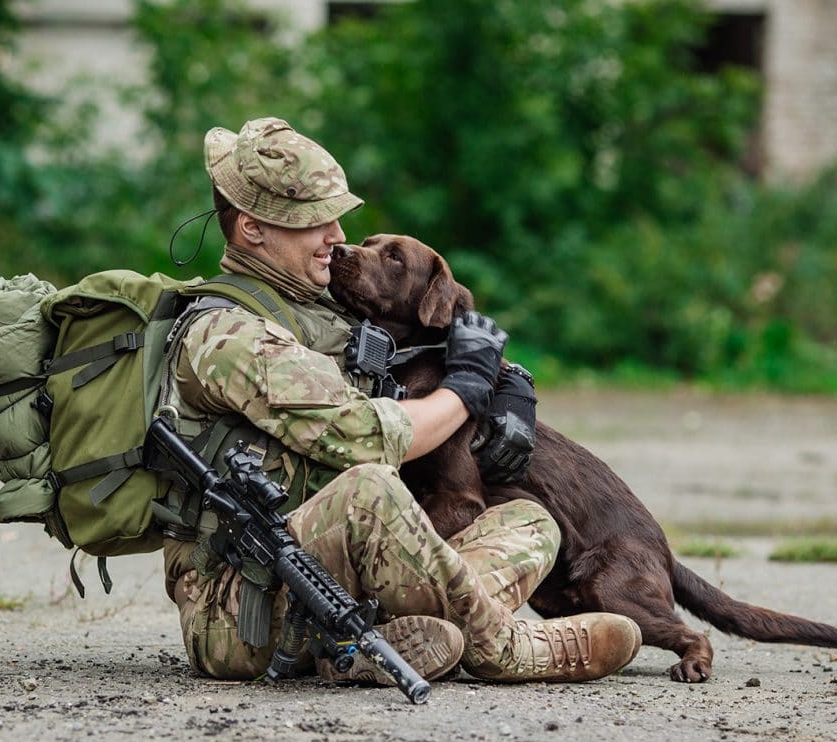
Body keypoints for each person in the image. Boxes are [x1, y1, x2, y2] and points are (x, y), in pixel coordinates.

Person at [158, 117, 641, 686]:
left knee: (528, 519)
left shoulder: (318, 311)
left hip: (342, 573)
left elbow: (427, 341)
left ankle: (386, 643)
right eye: (313, 221)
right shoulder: (230, 335)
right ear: (252, 229)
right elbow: (368, 436)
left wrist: (507, 384)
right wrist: (465, 391)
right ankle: (507, 648)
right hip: (244, 607)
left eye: (335, 216)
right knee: (370, 487)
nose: (336, 235)